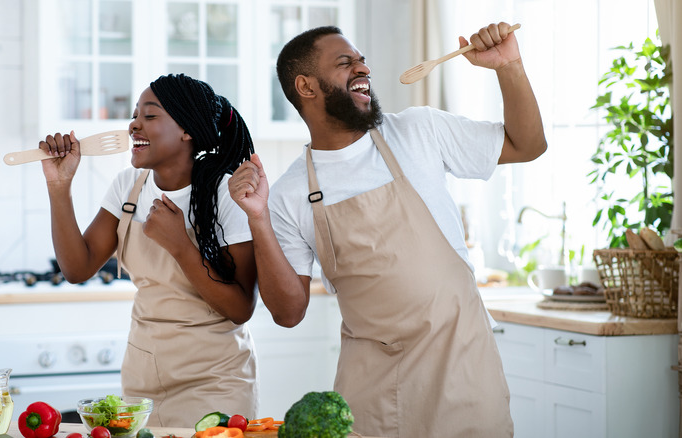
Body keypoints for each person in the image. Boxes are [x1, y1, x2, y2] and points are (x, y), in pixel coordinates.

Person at [229, 23, 547, 437]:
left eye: (362, 60)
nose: (363, 69)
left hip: (463, 371)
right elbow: (288, 313)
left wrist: (510, 67)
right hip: (373, 390)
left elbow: (528, 145)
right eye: (346, 63)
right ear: (305, 86)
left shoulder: (418, 131)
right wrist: (257, 218)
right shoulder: (289, 193)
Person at [39, 74, 259, 427]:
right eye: (135, 115)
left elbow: (241, 307)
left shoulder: (227, 194)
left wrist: (181, 246)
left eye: (150, 116)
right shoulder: (129, 187)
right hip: (143, 381)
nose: (133, 125)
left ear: (187, 129)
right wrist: (59, 186)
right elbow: (77, 269)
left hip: (215, 382)